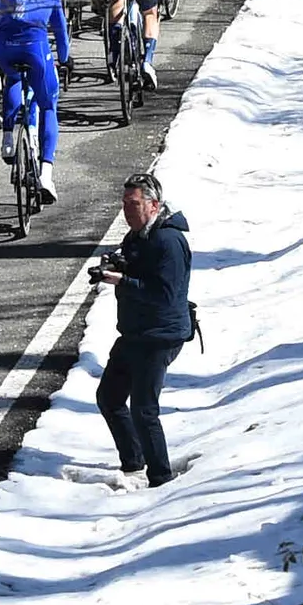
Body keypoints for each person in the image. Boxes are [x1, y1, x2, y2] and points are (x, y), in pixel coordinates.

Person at [88, 170, 196, 487]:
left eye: (133, 203)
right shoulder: (137, 235)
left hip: (161, 336)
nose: (127, 209)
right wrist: (114, 265)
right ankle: (133, 463)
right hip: (135, 333)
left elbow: (164, 293)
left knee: (144, 409)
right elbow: (133, 263)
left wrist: (123, 280)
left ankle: (161, 477)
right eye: (124, 202)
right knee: (109, 397)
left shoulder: (170, 241)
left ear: (153, 205)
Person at [0, 0, 70, 173]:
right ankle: (46, 172)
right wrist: (64, 59)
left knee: (13, 79)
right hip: (35, 50)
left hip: (5, 49)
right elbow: (61, 32)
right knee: (48, 106)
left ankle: (7, 137)